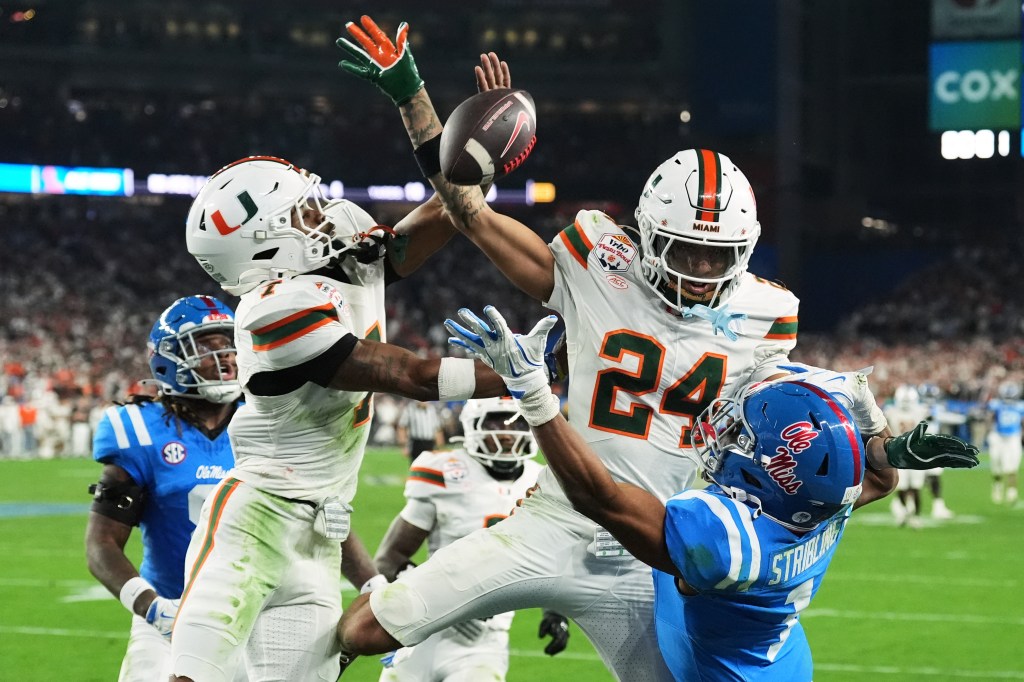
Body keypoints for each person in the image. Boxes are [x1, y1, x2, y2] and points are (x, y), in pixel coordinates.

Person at [335, 18, 897, 680]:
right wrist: (413, 95)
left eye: (716, 256)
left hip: (650, 549)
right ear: (646, 232)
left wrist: (866, 440)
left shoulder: (766, 316)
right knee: (367, 630)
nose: (697, 271)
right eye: (684, 249)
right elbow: (469, 213)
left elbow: (787, 432)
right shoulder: (596, 259)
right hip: (551, 521)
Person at [435, 305, 981, 681]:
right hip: (785, 663)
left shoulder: (725, 539)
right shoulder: (822, 502)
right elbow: (878, 477)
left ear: (768, 468)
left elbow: (600, 498)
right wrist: (883, 432)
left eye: (743, 436)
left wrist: (533, 392)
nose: (727, 435)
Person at [170, 155, 509, 682]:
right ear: (264, 246)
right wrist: (531, 371)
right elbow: (414, 377)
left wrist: (473, 154)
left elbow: (448, 211)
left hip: (322, 531)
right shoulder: (271, 311)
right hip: (253, 527)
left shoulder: (337, 268)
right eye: (301, 213)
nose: (322, 215)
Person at [85, 295, 243, 682]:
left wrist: (370, 582)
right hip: (169, 613)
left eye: (229, 343)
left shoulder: (265, 422)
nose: (225, 356)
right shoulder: (138, 431)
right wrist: (152, 608)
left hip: (252, 615)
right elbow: (101, 544)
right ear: (169, 359)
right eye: (207, 345)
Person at [374, 396, 569, 681]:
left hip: (482, 643)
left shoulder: (543, 481)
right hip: (421, 633)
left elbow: (551, 557)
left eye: (515, 423)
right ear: (472, 424)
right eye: (495, 422)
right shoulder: (446, 471)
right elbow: (388, 559)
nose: (506, 432)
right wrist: (438, 602)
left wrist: (554, 612)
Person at [884, 384, 931, 527]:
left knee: (915, 486)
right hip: (900, 454)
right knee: (901, 486)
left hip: (915, 453)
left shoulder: (920, 410)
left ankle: (915, 515)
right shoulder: (891, 411)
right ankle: (905, 511)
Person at [986, 381, 1024, 505]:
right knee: (996, 464)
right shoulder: (996, 404)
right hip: (998, 437)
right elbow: (989, 418)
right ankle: (997, 485)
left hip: (1013, 437)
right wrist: (989, 431)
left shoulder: (1020, 406)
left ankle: (1012, 491)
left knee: (1012, 466)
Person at [397, 398, 445, 463]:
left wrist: (440, 446)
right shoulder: (410, 409)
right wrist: (404, 446)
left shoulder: (432, 410)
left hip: (430, 443)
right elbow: (402, 427)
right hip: (416, 443)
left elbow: (438, 429)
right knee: (416, 465)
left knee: (429, 465)